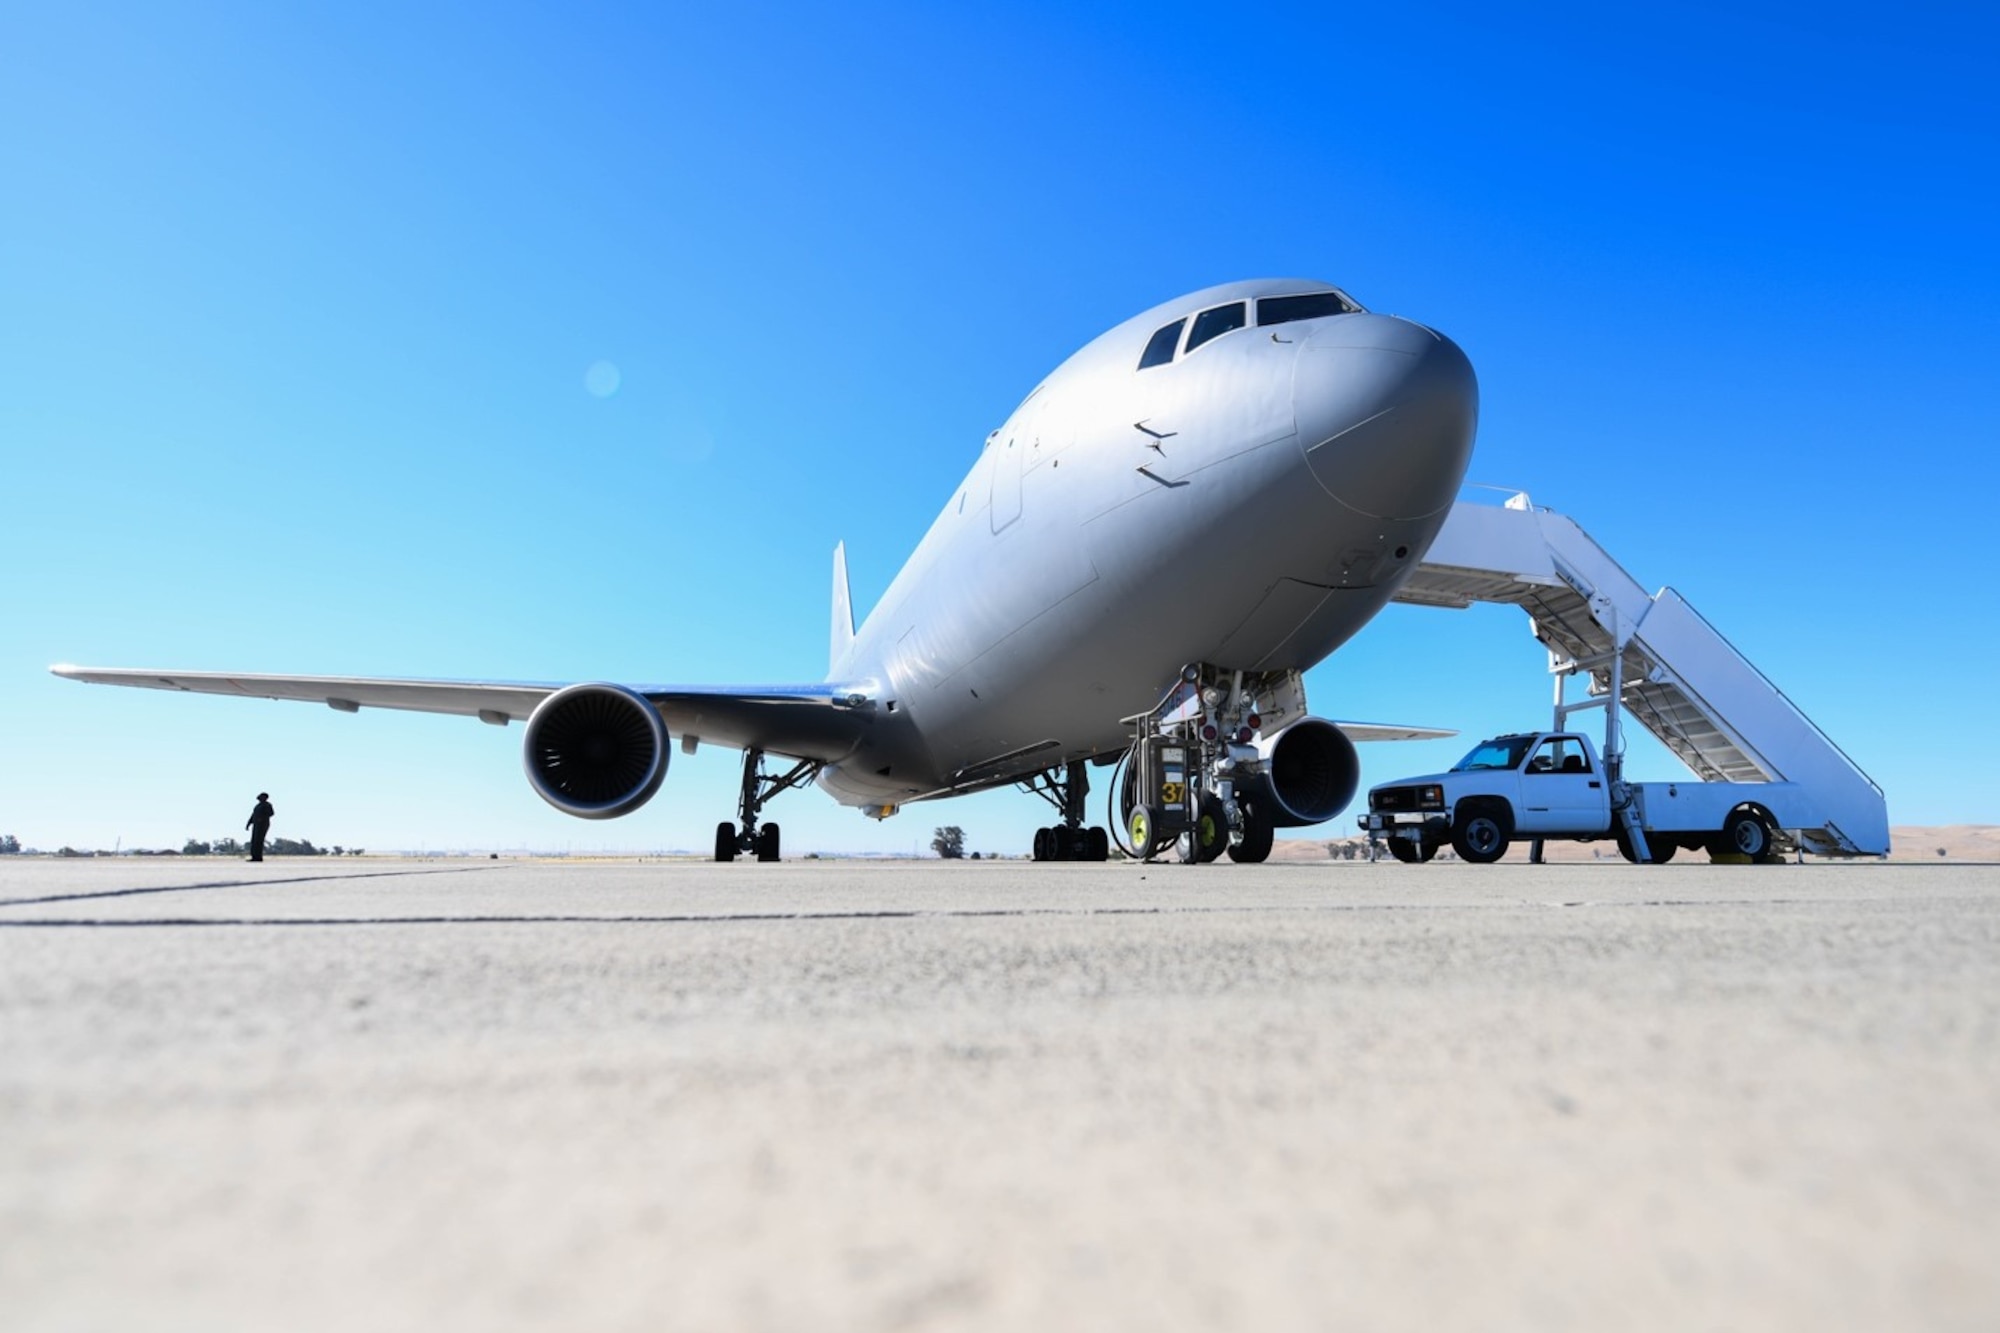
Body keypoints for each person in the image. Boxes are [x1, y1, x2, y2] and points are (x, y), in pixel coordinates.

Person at [246, 792, 275, 861]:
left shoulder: (267, 805)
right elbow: (253, 815)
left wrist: (262, 818)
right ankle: (254, 856)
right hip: (256, 824)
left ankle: (258, 857)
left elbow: (271, 813)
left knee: (259, 841)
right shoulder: (257, 806)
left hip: (263, 824)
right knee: (254, 840)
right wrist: (248, 823)